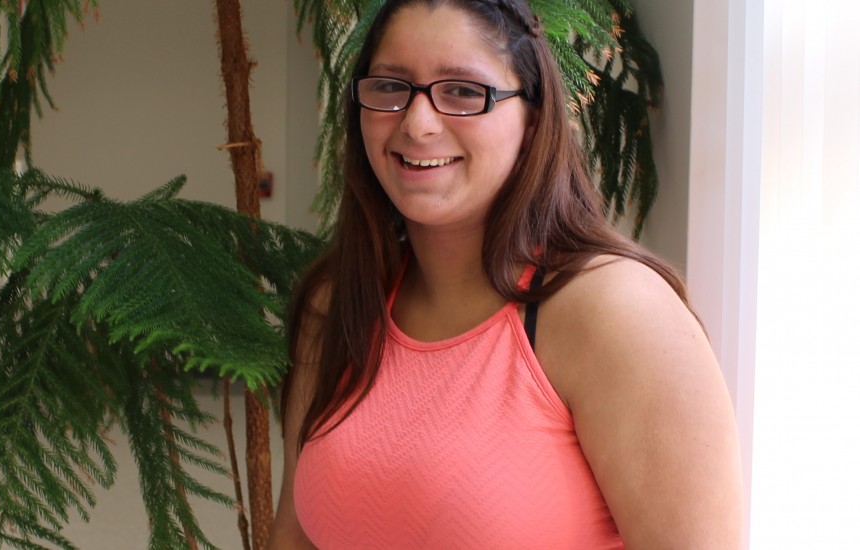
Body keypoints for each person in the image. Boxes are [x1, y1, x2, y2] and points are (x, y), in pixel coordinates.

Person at [270, 0, 743, 548]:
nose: (417, 123)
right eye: (390, 87)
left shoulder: (619, 312)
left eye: (463, 91)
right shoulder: (336, 302)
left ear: (533, 119)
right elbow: (292, 538)